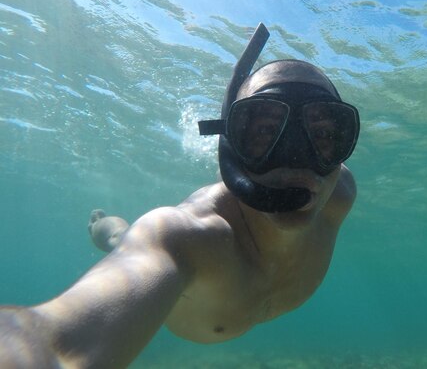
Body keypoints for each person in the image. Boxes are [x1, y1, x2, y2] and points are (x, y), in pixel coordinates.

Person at [0, 24, 360, 368]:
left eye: (326, 134)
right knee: (122, 238)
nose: (298, 162)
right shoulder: (184, 238)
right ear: (230, 147)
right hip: (156, 243)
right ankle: (104, 228)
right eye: (265, 131)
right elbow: (52, 343)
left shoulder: (339, 192)